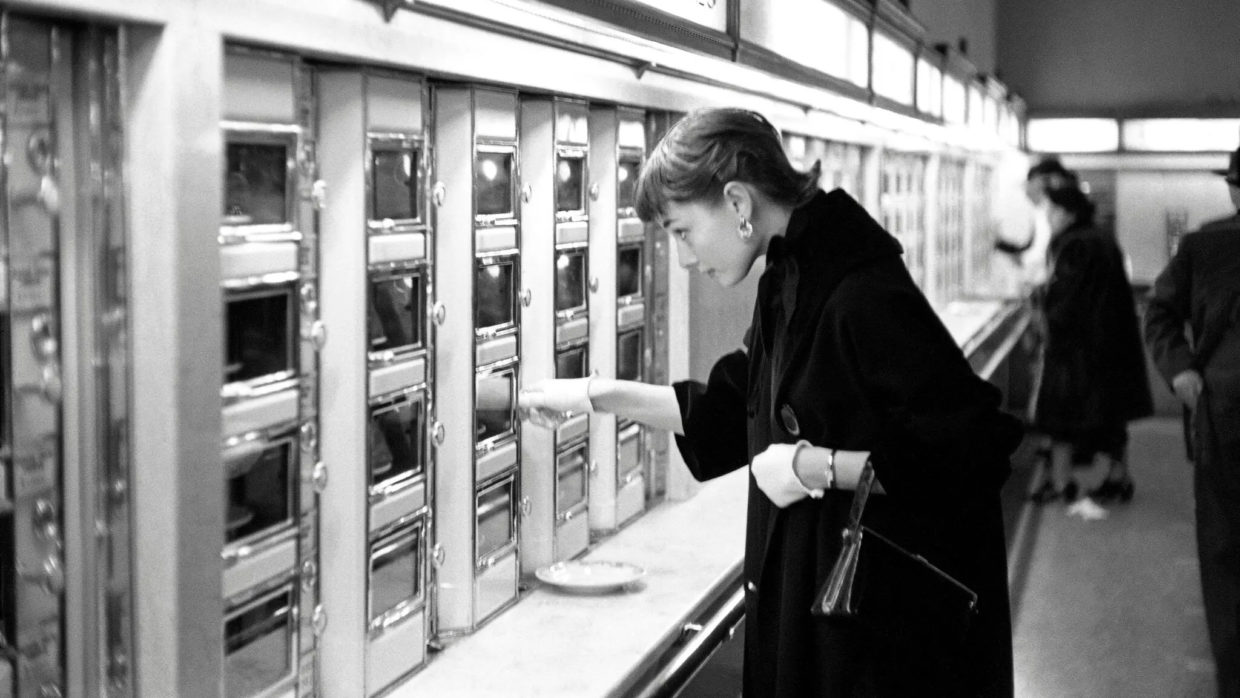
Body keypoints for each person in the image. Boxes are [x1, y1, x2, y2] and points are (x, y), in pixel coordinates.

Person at [521, 107, 1022, 696]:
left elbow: (973, 451)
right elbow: (730, 409)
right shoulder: (792, 277)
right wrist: (593, 395)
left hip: (877, 644)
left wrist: (819, 467)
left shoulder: (858, 292)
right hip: (817, 606)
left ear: (737, 202)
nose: (682, 258)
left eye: (682, 231)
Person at [1144, 145, 1240, 698]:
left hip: (1223, 420)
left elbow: (1158, 311)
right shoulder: (1205, 245)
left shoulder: (1206, 246)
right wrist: (1180, 372)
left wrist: (1183, 373)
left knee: (1226, 556)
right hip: (1222, 420)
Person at [1027, 184, 1153, 503]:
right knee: (1110, 418)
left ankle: (1060, 482)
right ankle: (1117, 477)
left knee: (1059, 418)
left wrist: (1040, 302)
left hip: (1078, 352)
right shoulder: (1100, 238)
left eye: (1053, 212)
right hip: (1109, 345)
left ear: (1068, 213)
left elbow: (1066, 303)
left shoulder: (1075, 245)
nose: (1049, 218)